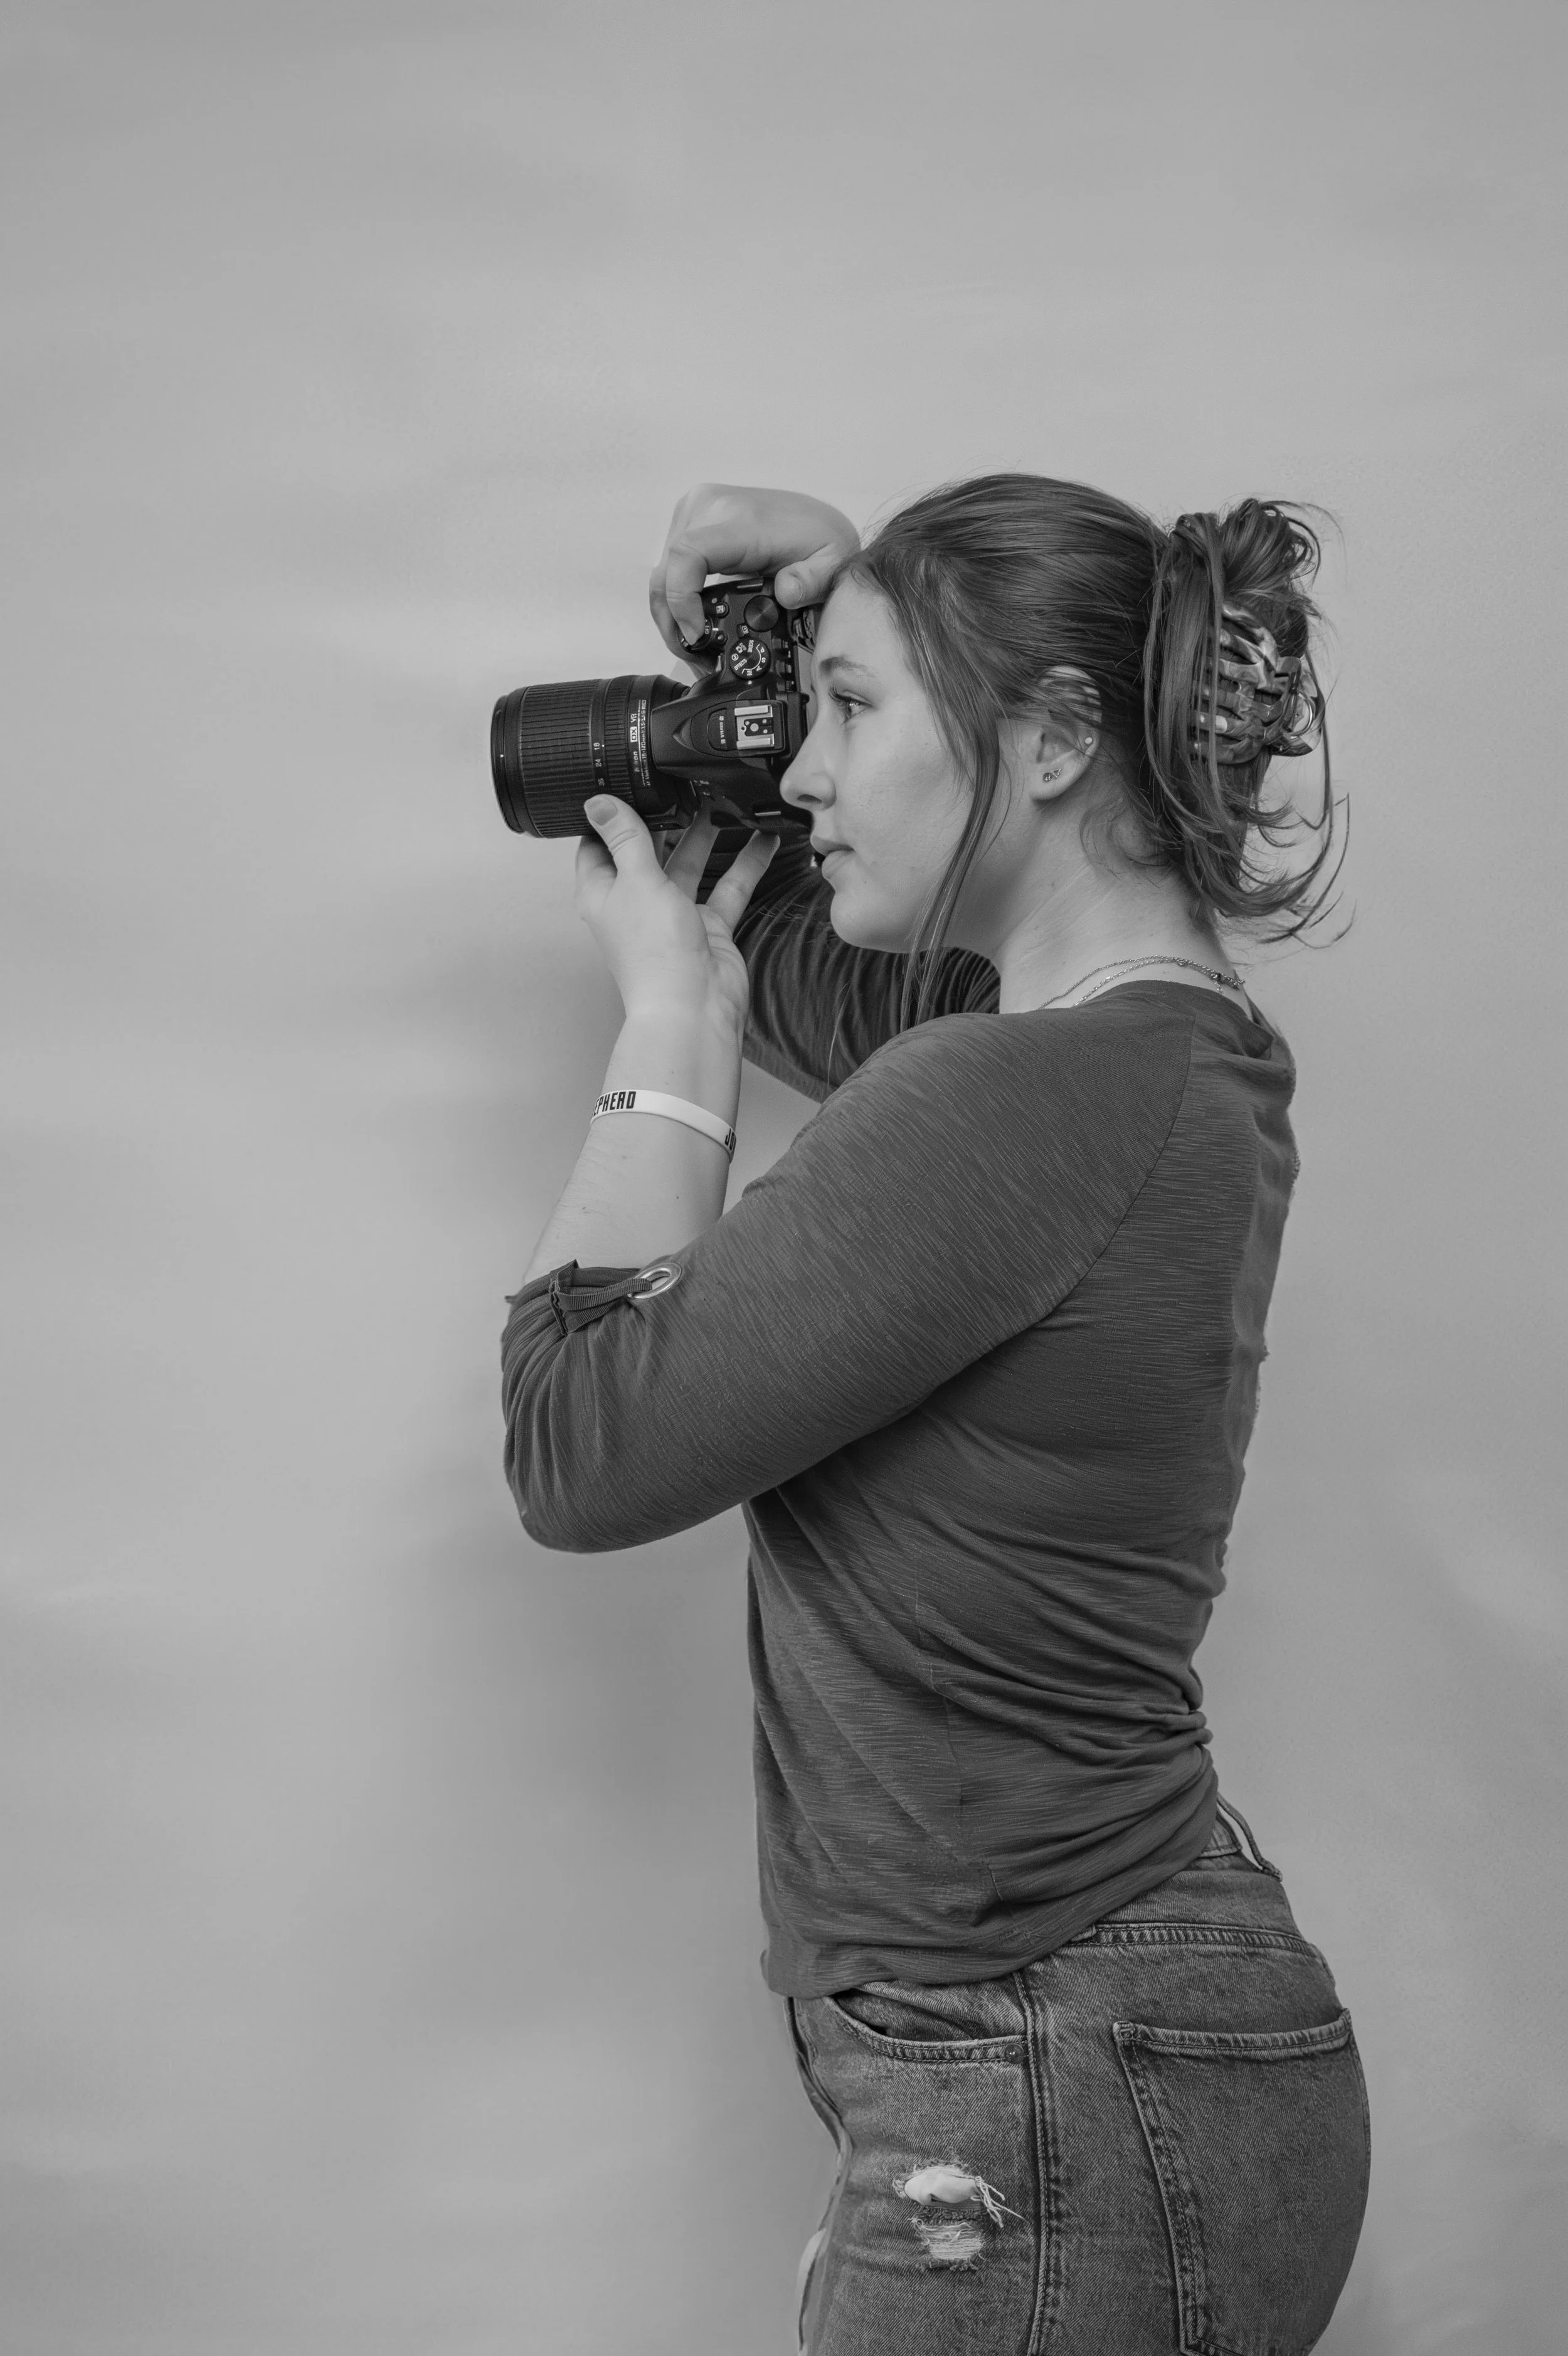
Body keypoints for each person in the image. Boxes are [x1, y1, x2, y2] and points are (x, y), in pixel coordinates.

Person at [500, 476, 1370, 2354]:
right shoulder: (1162, 1058)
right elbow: (838, 976)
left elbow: (579, 1443)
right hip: (1099, 2047)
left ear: (1056, 736)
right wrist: (842, 611)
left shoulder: (1010, 1095)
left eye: (847, 710)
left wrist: (664, 1026)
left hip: (1050, 2072)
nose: (800, 772)